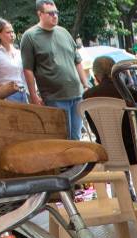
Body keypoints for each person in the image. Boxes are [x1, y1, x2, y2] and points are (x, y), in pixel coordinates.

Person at [21, 0, 88, 139]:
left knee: (76, 137)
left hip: (76, 93)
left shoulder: (64, 32)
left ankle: (76, 162)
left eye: (56, 12)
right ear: (40, 14)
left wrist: (86, 84)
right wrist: (33, 95)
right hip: (54, 96)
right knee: (62, 138)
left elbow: (77, 61)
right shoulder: (29, 36)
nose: (55, 16)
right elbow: (28, 69)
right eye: (50, 13)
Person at [0, 18, 26, 102]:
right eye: (8, 32)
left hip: (22, 93)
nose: (12, 35)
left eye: (12, 32)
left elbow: (23, 75)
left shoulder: (18, 52)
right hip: (6, 95)